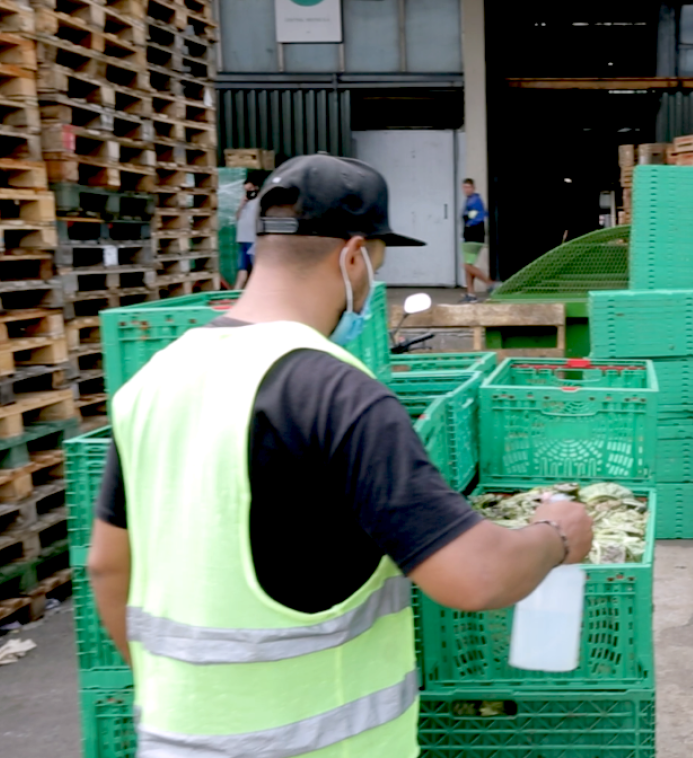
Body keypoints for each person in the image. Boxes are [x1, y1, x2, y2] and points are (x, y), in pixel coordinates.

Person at [87, 154, 595, 758]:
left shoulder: (152, 381)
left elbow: (107, 568)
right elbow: (474, 575)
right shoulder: (339, 394)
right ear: (353, 257)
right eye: (376, 269)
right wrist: (555, 536)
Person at [460, 178, 499, 302]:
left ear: (473, 188)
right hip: (470, 237)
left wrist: (469, 224)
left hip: (473, 237)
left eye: (468, 187)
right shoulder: (470, 200)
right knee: (469, 265)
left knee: (466, 265)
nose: (466, 190)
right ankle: (471, 294)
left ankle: (489, 283)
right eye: (464, 187)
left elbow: (478, 217)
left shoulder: (474, 201)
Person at [234, 179, 259, 289]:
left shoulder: (259, 202)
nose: (248, 192)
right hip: (243, 239)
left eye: (250, 189)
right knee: (242, 269)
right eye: (246, 190)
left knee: (256, 269)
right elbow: (237, 217)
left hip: (253, 240)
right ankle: (235, 293)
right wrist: (242, 204)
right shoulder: (245, 202)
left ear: (256, 188)